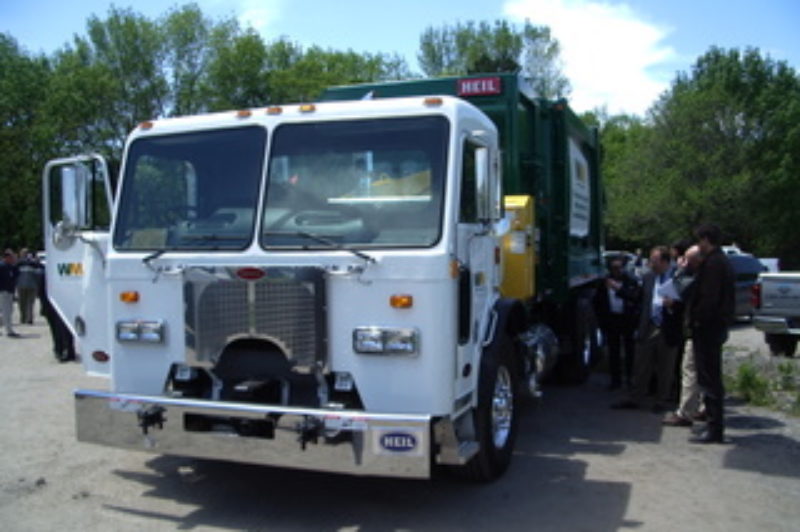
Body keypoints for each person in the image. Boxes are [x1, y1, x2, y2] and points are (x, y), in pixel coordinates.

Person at [612, 246, 680, 412]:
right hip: (648, 325)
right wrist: (618, 289)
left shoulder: (677, 278)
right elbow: (638, 297)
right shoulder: (649, 277)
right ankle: (636, 397)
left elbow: (687, 302)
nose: (650, 263)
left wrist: (674, 305)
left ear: (664, 262)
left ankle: (661, 400)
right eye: (650, 260)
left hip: (667, 325)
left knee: (665, 366)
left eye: (654, 261)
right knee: (641, 363)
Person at [688, 223, 735, 444]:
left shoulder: (714, 264)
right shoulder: (721, 261)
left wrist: (696, 319)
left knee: (709, 378)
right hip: (714, 326)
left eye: (700, 240)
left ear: (707, 240)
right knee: (709, 377)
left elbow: (709, 298)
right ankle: (713, 425)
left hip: (708, 327)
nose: (699, 244)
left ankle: (715, 429)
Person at [662, 245, 705, 427]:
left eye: (687, 260)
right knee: (704, 371)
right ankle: (704, 407)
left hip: (699, 331)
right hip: (708, 330)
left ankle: (685, 412)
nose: (683, 262)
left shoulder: (696, 278)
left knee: (690, 370)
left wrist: (680, 271)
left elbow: (680, 290)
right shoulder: (713, 273)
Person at [595, 258, 640, 390]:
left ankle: (630, 379)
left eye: (619, 268)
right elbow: (598, 302)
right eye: (614, 268)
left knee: (629, 350)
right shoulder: (603, 282)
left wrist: (617, 288)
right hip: (611, 318)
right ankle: (615, 380)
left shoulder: (630, 280)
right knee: (613, 350)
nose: (617, 271)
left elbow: (635, 297)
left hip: (627, 318)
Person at [38, 266, 75, 362]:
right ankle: (66, 350)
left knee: (58, 330)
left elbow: (41, 292)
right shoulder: (67, 269)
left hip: (56, 306)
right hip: (58, 305)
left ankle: (62, 350)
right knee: (64, 329)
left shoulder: (46, 273)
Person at [16, 248, 41, 325]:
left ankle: (29, 319)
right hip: (21, 285)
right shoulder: (18, 263)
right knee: (22, 303)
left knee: (30, 303)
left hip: (31, 286)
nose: (25, 254)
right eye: (24, 253)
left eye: (26, 253)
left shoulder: (33, 263)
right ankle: (23, 318)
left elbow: (39, 271)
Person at [0, 249, 21, 337]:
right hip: (3, 291)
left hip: (9, 291)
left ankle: (8, 329)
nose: (12, 259)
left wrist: (15, 262)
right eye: (11, 257)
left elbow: (17, 274)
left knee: (8, 311)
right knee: (6, 311)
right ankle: (9, 331)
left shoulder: (10, 266)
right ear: (6, 258)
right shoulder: (2, 266)